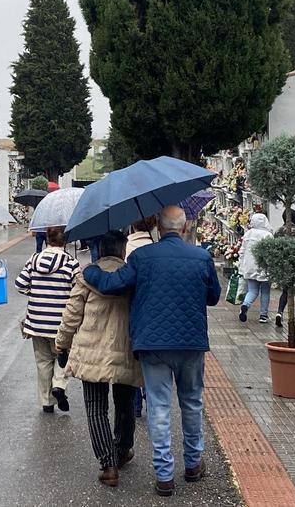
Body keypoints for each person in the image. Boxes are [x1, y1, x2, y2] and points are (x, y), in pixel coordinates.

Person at [82, 205, 221, 498]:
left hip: (152, 344)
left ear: (158, 228)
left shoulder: (142, 257)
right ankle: (194, 464)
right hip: (191, 344)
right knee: (192, 402)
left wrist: (91, 268)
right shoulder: (201, 257)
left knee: (159, 406)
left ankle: (165, 476)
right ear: (183, 229)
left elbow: (112, 284)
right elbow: (213, 297)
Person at [56, 230, 141, 488]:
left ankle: (108, 464)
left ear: (100, 251)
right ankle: (123, 448)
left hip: (91, 352)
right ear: (122, 251)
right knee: (125, 402)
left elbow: (71, 315)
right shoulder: (132, 276)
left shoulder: (86, 276)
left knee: (95, 407)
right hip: (124, 348)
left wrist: (62, 344)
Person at [15, 225, 78, 413]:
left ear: (48, 240)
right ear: (65, 241)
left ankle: (47, 401)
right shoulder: (71, 263)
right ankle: (59, 385)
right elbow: (77, 292)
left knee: (42, 361)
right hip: (61, 323)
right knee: (63, 357)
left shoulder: (34, 260)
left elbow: (20, 284)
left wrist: (35, 293)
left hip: (36, 322)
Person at [126, 215, 156, 417]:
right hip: (152, 309)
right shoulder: (156, 248)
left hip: (131, 306)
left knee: (132, 357)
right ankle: (149, 394)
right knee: (150, 358)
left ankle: (135, 405)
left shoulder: (126, 247)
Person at [238, 212, 273, 323]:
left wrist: (241, 265)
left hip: (249, 266)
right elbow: (271, 253)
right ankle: (263, 315)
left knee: (252, 291)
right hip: (264, 267)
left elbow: (242, 251)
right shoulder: (268, 235)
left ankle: (245, 305)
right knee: (265, 292)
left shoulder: (248, 234)